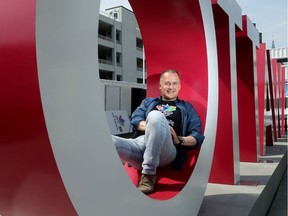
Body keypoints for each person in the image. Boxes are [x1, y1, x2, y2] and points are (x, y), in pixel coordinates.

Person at [112, 69, 205, 194]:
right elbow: (136, 120)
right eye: (167, 83)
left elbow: (197, 137)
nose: (170, 87)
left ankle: (148, 175)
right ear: (160, 86)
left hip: (167, 150)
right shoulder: (148, 102)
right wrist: (153, 126)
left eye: (174, 83)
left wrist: (179, 139)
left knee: (156, 116)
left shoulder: (186, 108)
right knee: (109, 141)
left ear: (179, 86)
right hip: (141, 145)